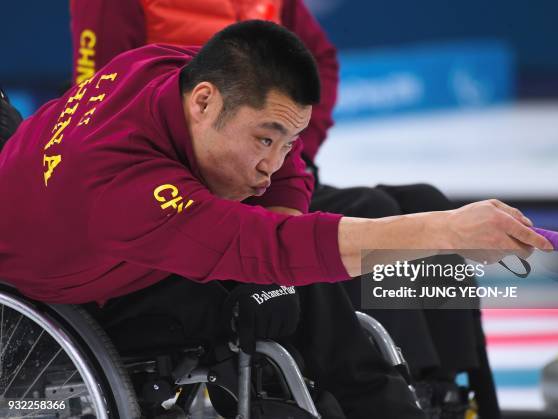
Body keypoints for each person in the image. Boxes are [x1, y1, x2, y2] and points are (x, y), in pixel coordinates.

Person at [68, 1, 509, 417]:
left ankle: (446, 385)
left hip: (261, 171)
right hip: (186, 184)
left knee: (422, 199)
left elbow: (320, 60)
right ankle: (404, 385)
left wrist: (287, 149)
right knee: (371, 210)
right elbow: (102, 92)